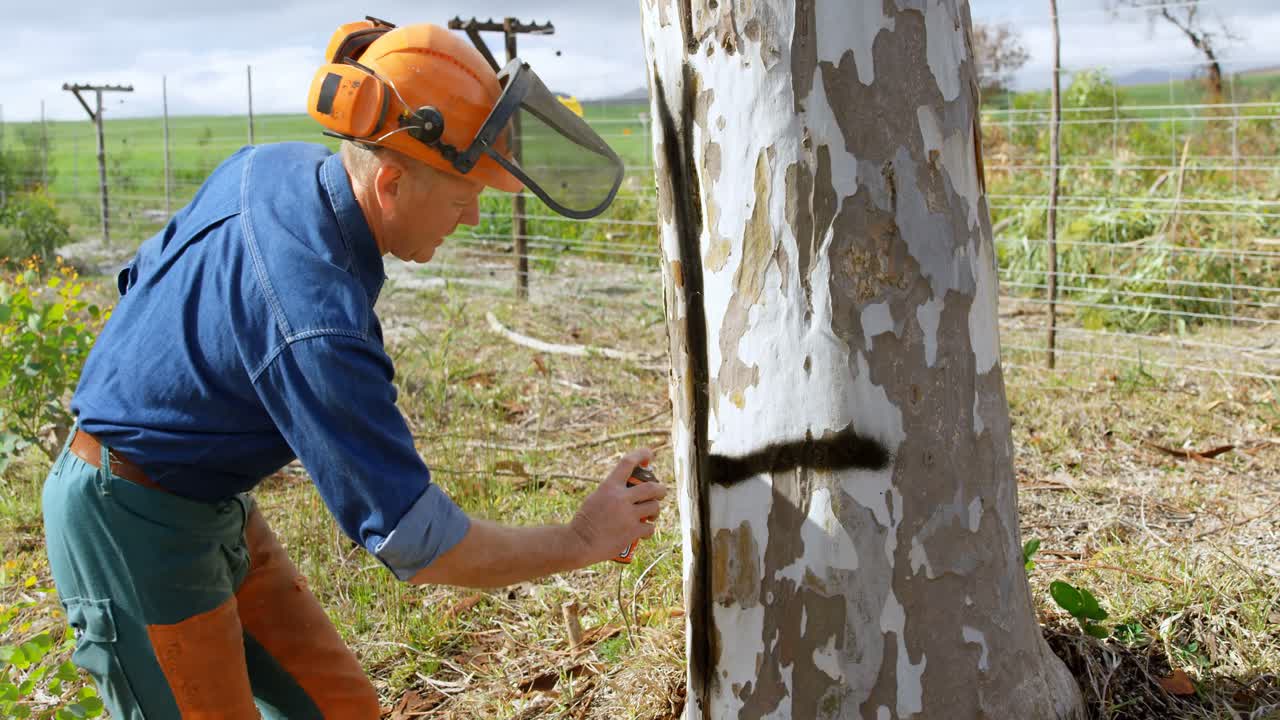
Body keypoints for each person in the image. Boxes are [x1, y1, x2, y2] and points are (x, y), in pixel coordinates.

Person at [41, 18, 663, 719]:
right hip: (129, 517)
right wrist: (581, 540)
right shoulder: (316, 318)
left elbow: (141, 283)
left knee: (339, 709)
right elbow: (422, 544)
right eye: (466, 196)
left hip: (210, 496)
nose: (474, 220)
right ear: (393, 181)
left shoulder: (266, 165)